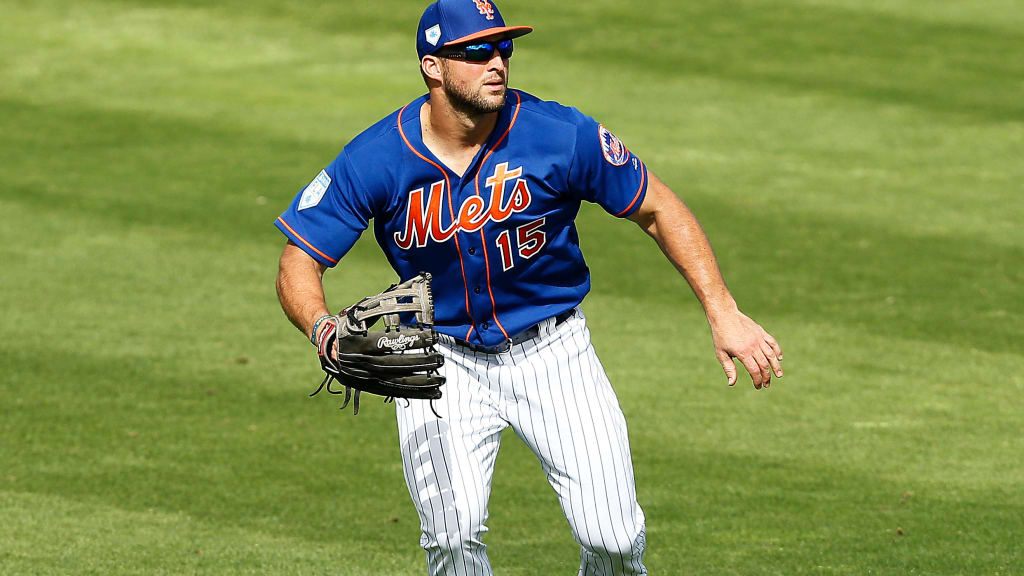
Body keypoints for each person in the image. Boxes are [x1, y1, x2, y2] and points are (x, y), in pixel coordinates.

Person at [274, 0, 783, 574]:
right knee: (452, 536)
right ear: (432, 66)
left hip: (554, 352)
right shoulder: (375, 158)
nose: (496, 62)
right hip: (441, 363)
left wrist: (722, 310)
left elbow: (659, 208)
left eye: (503, 47)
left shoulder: (558, 134)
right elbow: (299, 260)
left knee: (614, 537)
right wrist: (323, 330)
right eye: (476, 51)